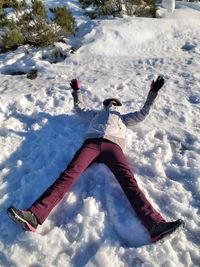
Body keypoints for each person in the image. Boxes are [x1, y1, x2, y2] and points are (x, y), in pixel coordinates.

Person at [7, 76, 184, 243]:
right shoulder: (94, 115)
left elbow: (143, 112)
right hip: (91, 145)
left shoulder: (123, 118)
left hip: (113, 147)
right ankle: (34, 215)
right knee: (69, 174)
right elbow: (79, 108)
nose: (111, 104)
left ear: (118, 106)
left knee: (129, 182)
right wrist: (77, 91)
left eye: (114, 102)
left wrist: (152, 93)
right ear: (104, 105)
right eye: (109, 102)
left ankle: (155, 224)